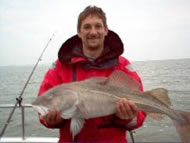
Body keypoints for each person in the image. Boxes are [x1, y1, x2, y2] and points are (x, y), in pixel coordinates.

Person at [38, 5, 146, 143]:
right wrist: (51, 120)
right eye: (87, 27)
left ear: (106, 30)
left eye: (98, 26)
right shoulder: (60, 66)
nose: (93, 32)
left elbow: (140, 117)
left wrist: (129, 117)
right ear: (79, 32)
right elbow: (42, 110)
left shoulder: (123, 66)